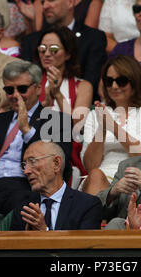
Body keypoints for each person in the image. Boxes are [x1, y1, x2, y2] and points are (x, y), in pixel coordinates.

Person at [0, 60, 72, 215]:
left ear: (38, 88)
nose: (16, 95)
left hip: (28, 188)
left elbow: (61, 166)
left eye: (22, 89)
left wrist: (27, 131)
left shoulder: (57, 120)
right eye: (10, 90)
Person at [81, 55, 141, 196]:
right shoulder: (96, 114)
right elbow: (90, 166)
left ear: (135, 82)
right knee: (95, 175)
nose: (114, 86)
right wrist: (102, 128)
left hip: (134, 177)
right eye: (109, 81)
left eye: (121, 81)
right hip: (100, 178)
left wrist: (113, 126)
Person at [19, 0, 106, 102]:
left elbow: (92, 80)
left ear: (70, 2)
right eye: (42, 49)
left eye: (54, 49)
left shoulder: (93, 37)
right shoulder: (31, 40)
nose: (45, 6)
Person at [35, 26, 93, 176]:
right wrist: (46, 103)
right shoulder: (30, 84)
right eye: (42, 49)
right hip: (35, 144)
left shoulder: (83, 86)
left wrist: (58, 95)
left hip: (68, 147)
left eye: (54, 49)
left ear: (68, 54)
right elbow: (26, 120)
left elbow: (78, 127)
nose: (46, 54)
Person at [10, 141, 101, 230]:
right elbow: (13, 244)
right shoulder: (24, 207)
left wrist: (44, 231)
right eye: (24, 165)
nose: (26, 171)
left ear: (56, 164)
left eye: (32, 161)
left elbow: (85, 244)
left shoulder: (87, 205)